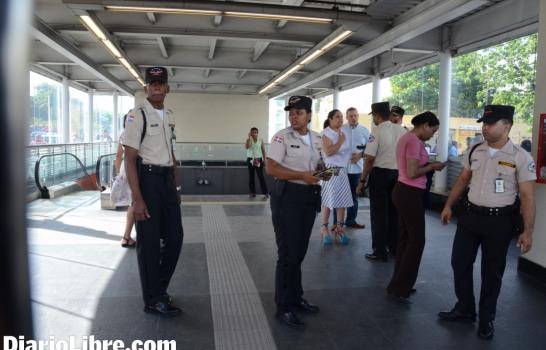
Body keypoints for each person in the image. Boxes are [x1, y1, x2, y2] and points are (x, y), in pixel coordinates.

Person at [438, 105, 536, 340]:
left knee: (492, 272)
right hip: (470, 217)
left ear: (507, 125)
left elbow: (528, 197)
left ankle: (486, 318)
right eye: (484, 123)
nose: (485, 127)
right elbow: (463, 180)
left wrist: (528, 231)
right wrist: (448, 205)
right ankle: (465, 308)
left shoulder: (520, 157)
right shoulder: (475, 150)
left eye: (491, 123)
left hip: (499, 221)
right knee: (459, 263)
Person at [122, 67, 183, 317]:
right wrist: (137, 199)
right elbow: (129, 159)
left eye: (161, 82)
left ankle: (159, 289)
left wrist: (176, 187)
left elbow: (171, 152)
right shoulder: (137, 115)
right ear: (145, 87)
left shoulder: (168, 115)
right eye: (152, 82)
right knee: (148, 243)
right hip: (147, 181)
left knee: (175, 238)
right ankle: (153, 299)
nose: (156, 86)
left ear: (167, 87)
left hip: (166, 181)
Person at [266, 95, 328, 329]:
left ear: (309, 115)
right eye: (291, 112)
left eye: (299, 112)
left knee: (299, 252)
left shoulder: (318, 139)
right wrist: (302, 175)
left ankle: (296, 297)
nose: (294, 116)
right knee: (288, 254)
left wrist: (325, 174)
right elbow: (272, 168)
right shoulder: (281, 137)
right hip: (286, 198)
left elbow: (322, 169)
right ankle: (283, 306)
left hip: (309, 197)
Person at [386, 112, 445, 302]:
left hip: (404, 191)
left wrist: (427, 164)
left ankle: (398, 284)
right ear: (425, 125)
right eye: (433, 130)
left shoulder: (408, 138)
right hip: (409, 193)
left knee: (405, 239)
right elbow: (412, 172)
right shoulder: (412, 141)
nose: (432, 135)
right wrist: (432, 167)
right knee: (417, 241)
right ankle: (401, 286)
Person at [356, 102, 406, 261]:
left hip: (380, 175)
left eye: (374, 117)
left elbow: (369, 159)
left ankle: (379, 251)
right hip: (398, 175)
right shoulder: (403, 131)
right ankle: (394, 247)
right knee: (394, 212)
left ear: (377, 115)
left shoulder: (376, 131)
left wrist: (362, 181)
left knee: (379, 214)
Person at [319, 109, 353, 245]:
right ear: (330, 119)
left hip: (341, 169)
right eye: (337, 117)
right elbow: (328, 152)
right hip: (329, 168)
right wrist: (340, 141)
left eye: (341, 117)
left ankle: (339, 227)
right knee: (327, 200)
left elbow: (347, 152)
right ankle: (324, 228)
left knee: (342, 200)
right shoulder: (325, 133)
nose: (340, 119)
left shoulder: (343, 132)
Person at [334, 107, 369, 229]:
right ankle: (335, 222)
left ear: (358, 116)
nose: (353, 118)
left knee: (354, 196)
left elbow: (370, 149)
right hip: (341, 169)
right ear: (347, 117)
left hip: (357, 169)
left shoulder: (365, 131)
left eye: (355, 115)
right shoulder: (340, 130)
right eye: (351, 116)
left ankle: (351, 220)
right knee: (338, 196)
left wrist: (360, 155)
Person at [115, 113, 136, 248]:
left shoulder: (123, 135)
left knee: (133, 203)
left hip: (124, 170)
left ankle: (127, 236)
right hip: (134, 170)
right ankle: (126, 236)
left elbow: (118, 156)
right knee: (135, 203)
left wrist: (118, 174)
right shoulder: (136, 135)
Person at [245, 127, 268, 198]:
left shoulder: (260, 140)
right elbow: (247, 147)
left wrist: (264, 159)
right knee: (251, 176)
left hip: (258, 160)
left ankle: (265, 192)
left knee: (260, 176)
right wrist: (249, 138)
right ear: (250, 133)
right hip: (250, 160)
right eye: (252, 132)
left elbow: (263, 151)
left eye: (255, 132)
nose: (254, 133)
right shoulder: (249, 140)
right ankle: (252, 193)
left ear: (257, 133)